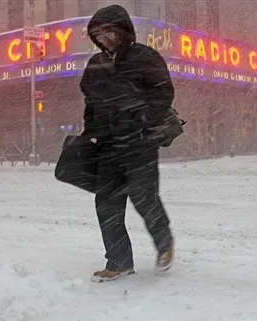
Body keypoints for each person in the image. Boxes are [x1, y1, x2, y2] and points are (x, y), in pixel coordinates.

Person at [80, 4, 175, 283]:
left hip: (141, 142)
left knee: (144, 198)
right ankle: (119, 262)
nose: (104, 37)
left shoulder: (145, 56)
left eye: (109, 31)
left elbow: (163, 95)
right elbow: (91, 103)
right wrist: (91, 132)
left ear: (122, 30)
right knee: (107, 204)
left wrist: (140, 118)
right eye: (98, 33)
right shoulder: (96, 65)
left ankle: (164, 242)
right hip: (108, 146)